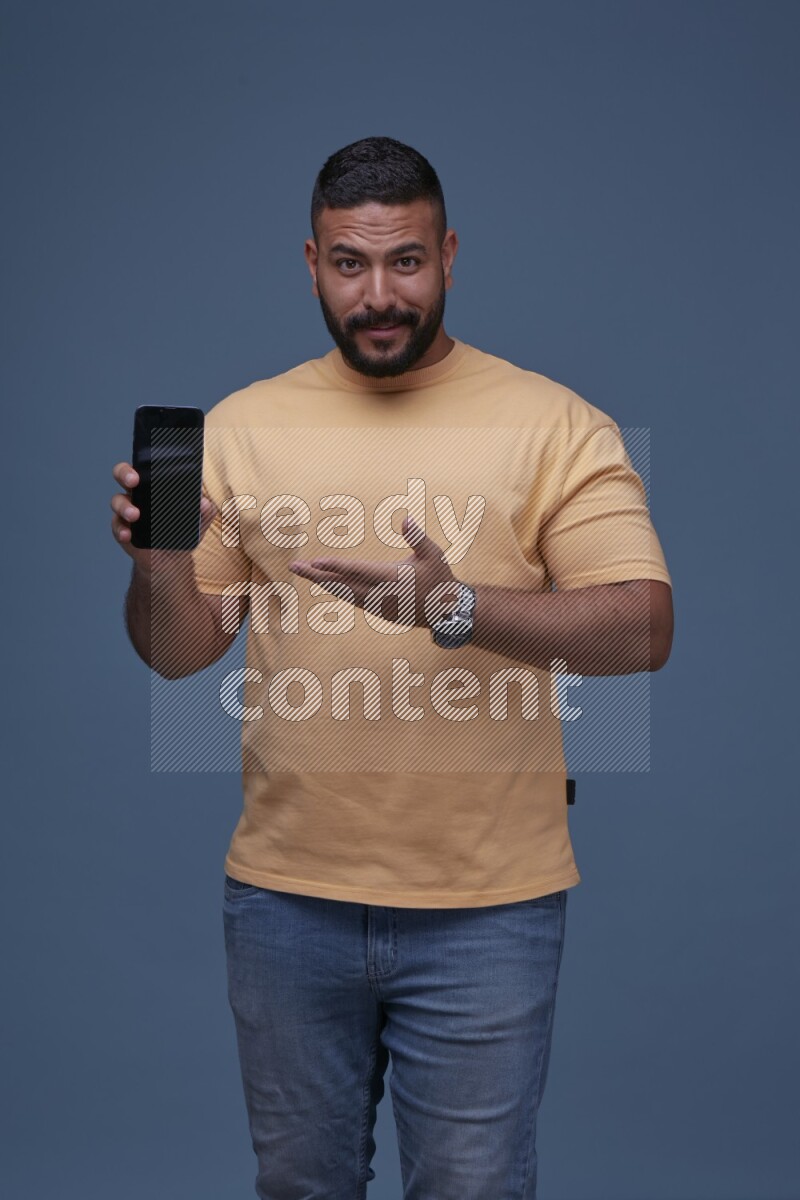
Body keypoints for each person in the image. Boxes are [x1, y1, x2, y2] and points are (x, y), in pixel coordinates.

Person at [111, 136, 673, 1199]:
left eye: (404, 261)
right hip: (283, 905)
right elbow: (180, 653)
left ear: (449, 255)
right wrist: (156, 565)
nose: (378, 294)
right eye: (349, 264)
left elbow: (643, 629)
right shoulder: (242, 427)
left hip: (487, 911)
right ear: (310, 262)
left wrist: (452, 608)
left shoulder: (552, 424)